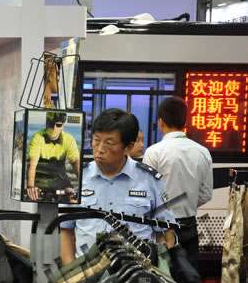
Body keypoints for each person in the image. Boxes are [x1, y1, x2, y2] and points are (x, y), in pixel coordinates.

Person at [60, 109, 177, 264]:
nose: (100, 149)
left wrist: (161, 268)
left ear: (128, 147)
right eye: (96, 140)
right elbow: (66, 230)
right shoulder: (77, 179)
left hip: (136, 273)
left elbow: (167, 234)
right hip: (88, 273)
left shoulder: (150, 181)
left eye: (109, 143)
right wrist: (71, 272)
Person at [143, 97, 213, 270]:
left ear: (161, 122)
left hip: (161, 229)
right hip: (190, 228)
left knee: (163, 278)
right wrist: (186, 203)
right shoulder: (203, 152)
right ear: (185, 122)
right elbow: (206, 194)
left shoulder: (153, 152)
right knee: (190, 278)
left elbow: (146, 195)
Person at [25, 111, 80, 202]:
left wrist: (82, 184)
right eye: (51, 124)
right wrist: (30, 186)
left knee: (71, 197)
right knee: (34, 196)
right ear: (47, 123)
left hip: (61, 183)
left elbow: (76, 163)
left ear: (63, 126)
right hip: (41, 182)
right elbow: (32, 164)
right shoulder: (38, 137)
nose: (54, 128)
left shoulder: (69, 139)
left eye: (58, 125)